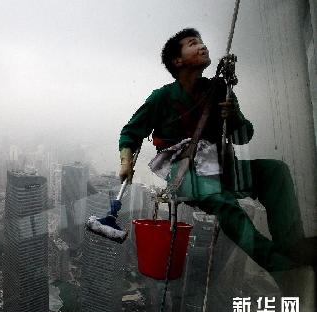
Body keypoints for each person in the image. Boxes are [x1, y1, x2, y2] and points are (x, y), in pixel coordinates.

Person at [118, 28, 315, 273]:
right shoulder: (163, 98)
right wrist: (126, 163)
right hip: (186, 174)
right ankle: (277, 263)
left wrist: (233, 118)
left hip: (221, 169)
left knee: (275, 171)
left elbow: (242, 136)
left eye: (201, 42)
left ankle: (291, 246)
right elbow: (131, 132)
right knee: (223, 201)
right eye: (193, 44)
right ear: (177, 61)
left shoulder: (219, 90)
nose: (202, 46)